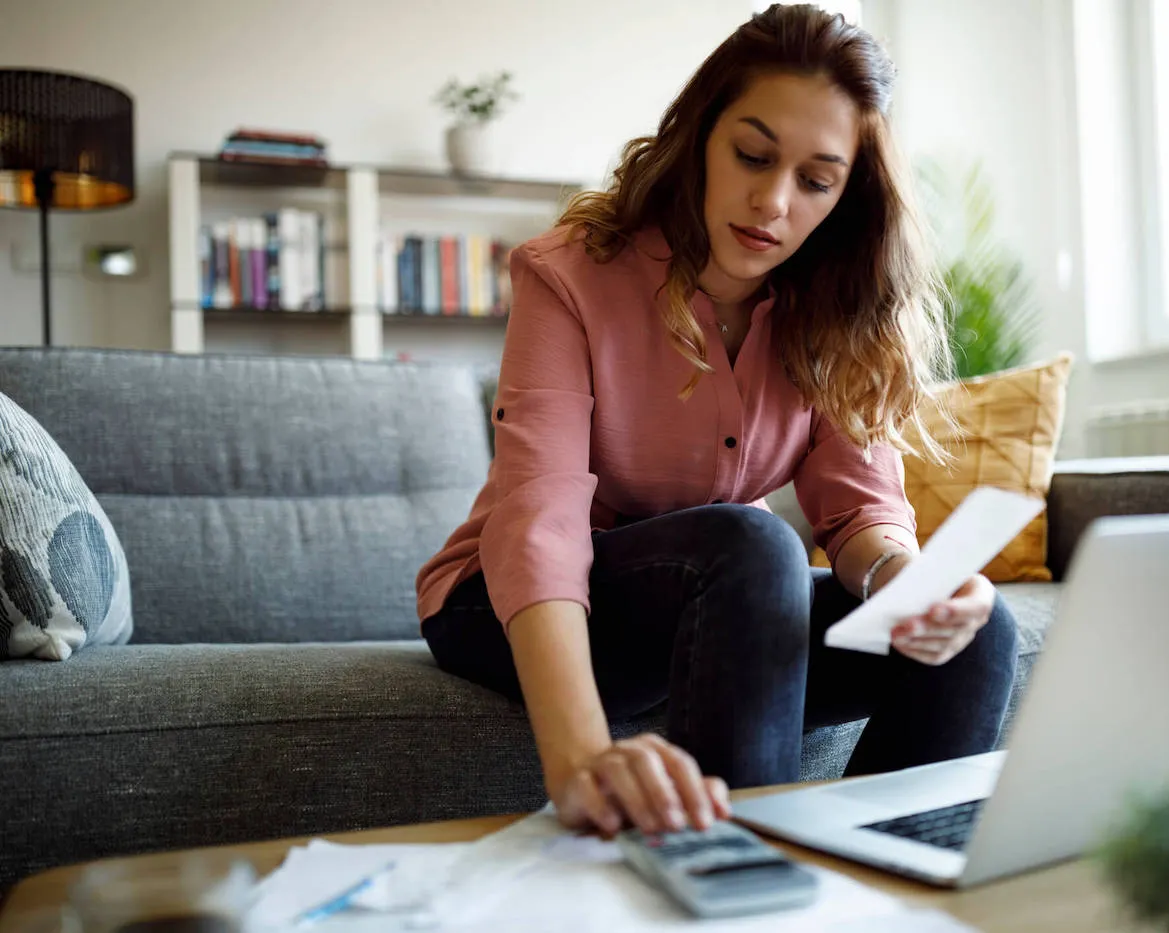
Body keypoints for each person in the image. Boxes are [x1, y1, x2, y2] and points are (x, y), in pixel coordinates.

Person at [416, 2, 1018, 841]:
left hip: (725, 606)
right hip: (511, 604)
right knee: (751, 541)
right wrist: (582, 758)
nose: (772, 201)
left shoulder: (838, 311)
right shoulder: (570, 274)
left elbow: (860, 512)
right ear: (701, 134)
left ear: (846, 195)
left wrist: (904, 589)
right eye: (752, 154)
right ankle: (738, 883)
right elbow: (539, 518)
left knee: (980, 633)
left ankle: (875, 886)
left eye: (814, 180)